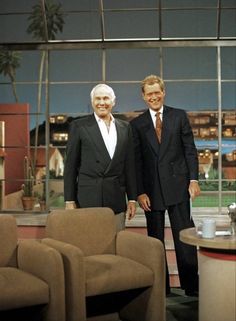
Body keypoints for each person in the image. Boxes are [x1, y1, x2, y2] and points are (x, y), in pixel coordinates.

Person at [130, 75, 200, 296]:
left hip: (178, 187)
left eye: (156, 92)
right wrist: (139, 192)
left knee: (185, 239)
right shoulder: (137, 124)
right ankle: (162, 290)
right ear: (143, 96)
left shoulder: (179, 116)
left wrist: (194, 180)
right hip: (151, 192)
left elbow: (190, 150)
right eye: (149, 94)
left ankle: (192, 287)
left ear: (163, 92)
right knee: (155, 241)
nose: (153, 97)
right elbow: (136, 162)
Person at [64, 83, 137, 231]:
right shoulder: (79, 126)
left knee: (116, 243)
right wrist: (69, 200)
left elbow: (129, 166)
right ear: (92, 102)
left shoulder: (125, 127)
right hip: (88, 199)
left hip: (116, 198)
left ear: (113, 101)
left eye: (106, 98)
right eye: (97, 99)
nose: (101, 102)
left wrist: (132, 198)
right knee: (90, 244)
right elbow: (70, 166)